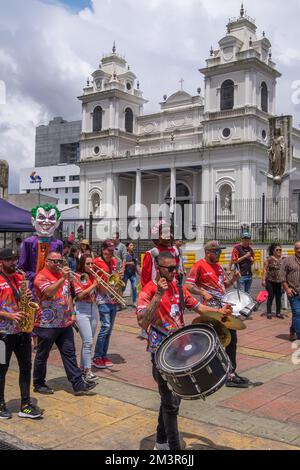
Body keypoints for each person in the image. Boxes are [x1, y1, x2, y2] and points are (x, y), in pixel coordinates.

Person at [136, 252, 232, 450]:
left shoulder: (178, 287)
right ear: (158, 268)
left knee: (171, 400)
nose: (174, 272)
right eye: (169, 269)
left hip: (179, 351)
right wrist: (158, 295)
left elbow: (199, 308)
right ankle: (173, 448)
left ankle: (161, 441)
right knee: (170, 403)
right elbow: (142, 321)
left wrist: (219, 312)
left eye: (175, 267)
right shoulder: (148, 290)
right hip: (161, 354)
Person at [185, 241, 249, 388]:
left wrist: (234, 278)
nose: (220, 254)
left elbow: (224, 285)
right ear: (208, 252)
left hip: (225, 309)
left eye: (220, 252)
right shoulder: (199, 265)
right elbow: (188, 285)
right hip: (211, 312)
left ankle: (230, 372)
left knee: (232, 340)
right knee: (216, 342)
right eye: (217, 252)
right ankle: (215, 373)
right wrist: (202, 292)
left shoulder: (219, 267)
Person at [33, 251, 96, 396]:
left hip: (64, 322)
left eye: (59, 261)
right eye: (54, 261)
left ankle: (78, 384)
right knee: (43, 354)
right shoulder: (41, 276)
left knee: (69, 353)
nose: (57, 264)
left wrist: (73, 313)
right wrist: (62, 278)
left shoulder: (65, 277)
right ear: (46, 261)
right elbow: (48, 292)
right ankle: (39, 383)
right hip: (47, 323)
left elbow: (67, 295)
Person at [0, 248, 42, 419]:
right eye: (9, 259)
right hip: (2, 333)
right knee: (1, 369)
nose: (13, 262)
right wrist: (9, 315)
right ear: (1, 262)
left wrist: (28, 296)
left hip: (22, 331)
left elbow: (25, 299)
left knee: (26, 368)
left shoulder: (19, 277)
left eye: (15, 258)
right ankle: (0, 404)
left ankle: (25, 404)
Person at [92, 240, 120, 369]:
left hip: (112, 298)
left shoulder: (114, 261)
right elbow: (97, 282)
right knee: (105, 326)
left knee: (109, 329)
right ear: (102, 249)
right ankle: (97, 357)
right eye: (108, 250)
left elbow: (115, 278)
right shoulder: (96, 262)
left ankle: (103, 355)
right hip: (102, 298)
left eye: (112, 250)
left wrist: (118, 278)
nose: (110, 253)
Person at [74, 255, 99, 383]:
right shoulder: (77, 276)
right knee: (88, 341)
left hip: (94, 308)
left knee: (88, 342)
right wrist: (94, 285)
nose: (91, 266)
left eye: (92, 264)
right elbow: (80, 295)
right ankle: (88, 371)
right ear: (82, 264)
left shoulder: (94, 275)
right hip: (82, 309)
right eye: (88, 264)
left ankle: (83, 368)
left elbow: (103, 292)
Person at [280, 242, 300, 341]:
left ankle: (292, 331)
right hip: (293, 292)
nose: (299, 250)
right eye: (297, 248)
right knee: (297, 312)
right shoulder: (288, 260)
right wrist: (287, 289)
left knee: (298, 314)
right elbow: (282, 276)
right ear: (294, 249)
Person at [262, 244, 284, 320]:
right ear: (273, 251)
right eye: (277, 250)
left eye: (280, 250)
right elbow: (265, 269)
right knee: (271, 296)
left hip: (280, 282)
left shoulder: (284, 259)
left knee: (278, 297)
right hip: (270, 281)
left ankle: (278, 313)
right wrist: (263, 280)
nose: (279, 251)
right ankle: (269, 312)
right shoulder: (268, 259)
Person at [123, 242, 139, 307]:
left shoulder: (134, 254)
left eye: (133, 245)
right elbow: (122, 263)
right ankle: (121, 301)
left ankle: (134, 302)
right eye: (131, 245)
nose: (132, 246)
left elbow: (136, 263)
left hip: (133, 273)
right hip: (126, 273)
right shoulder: (125, 254)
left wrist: (136, 261)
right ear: (127, 247)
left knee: (134, 287)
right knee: (123, 287)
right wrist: (129, 263)